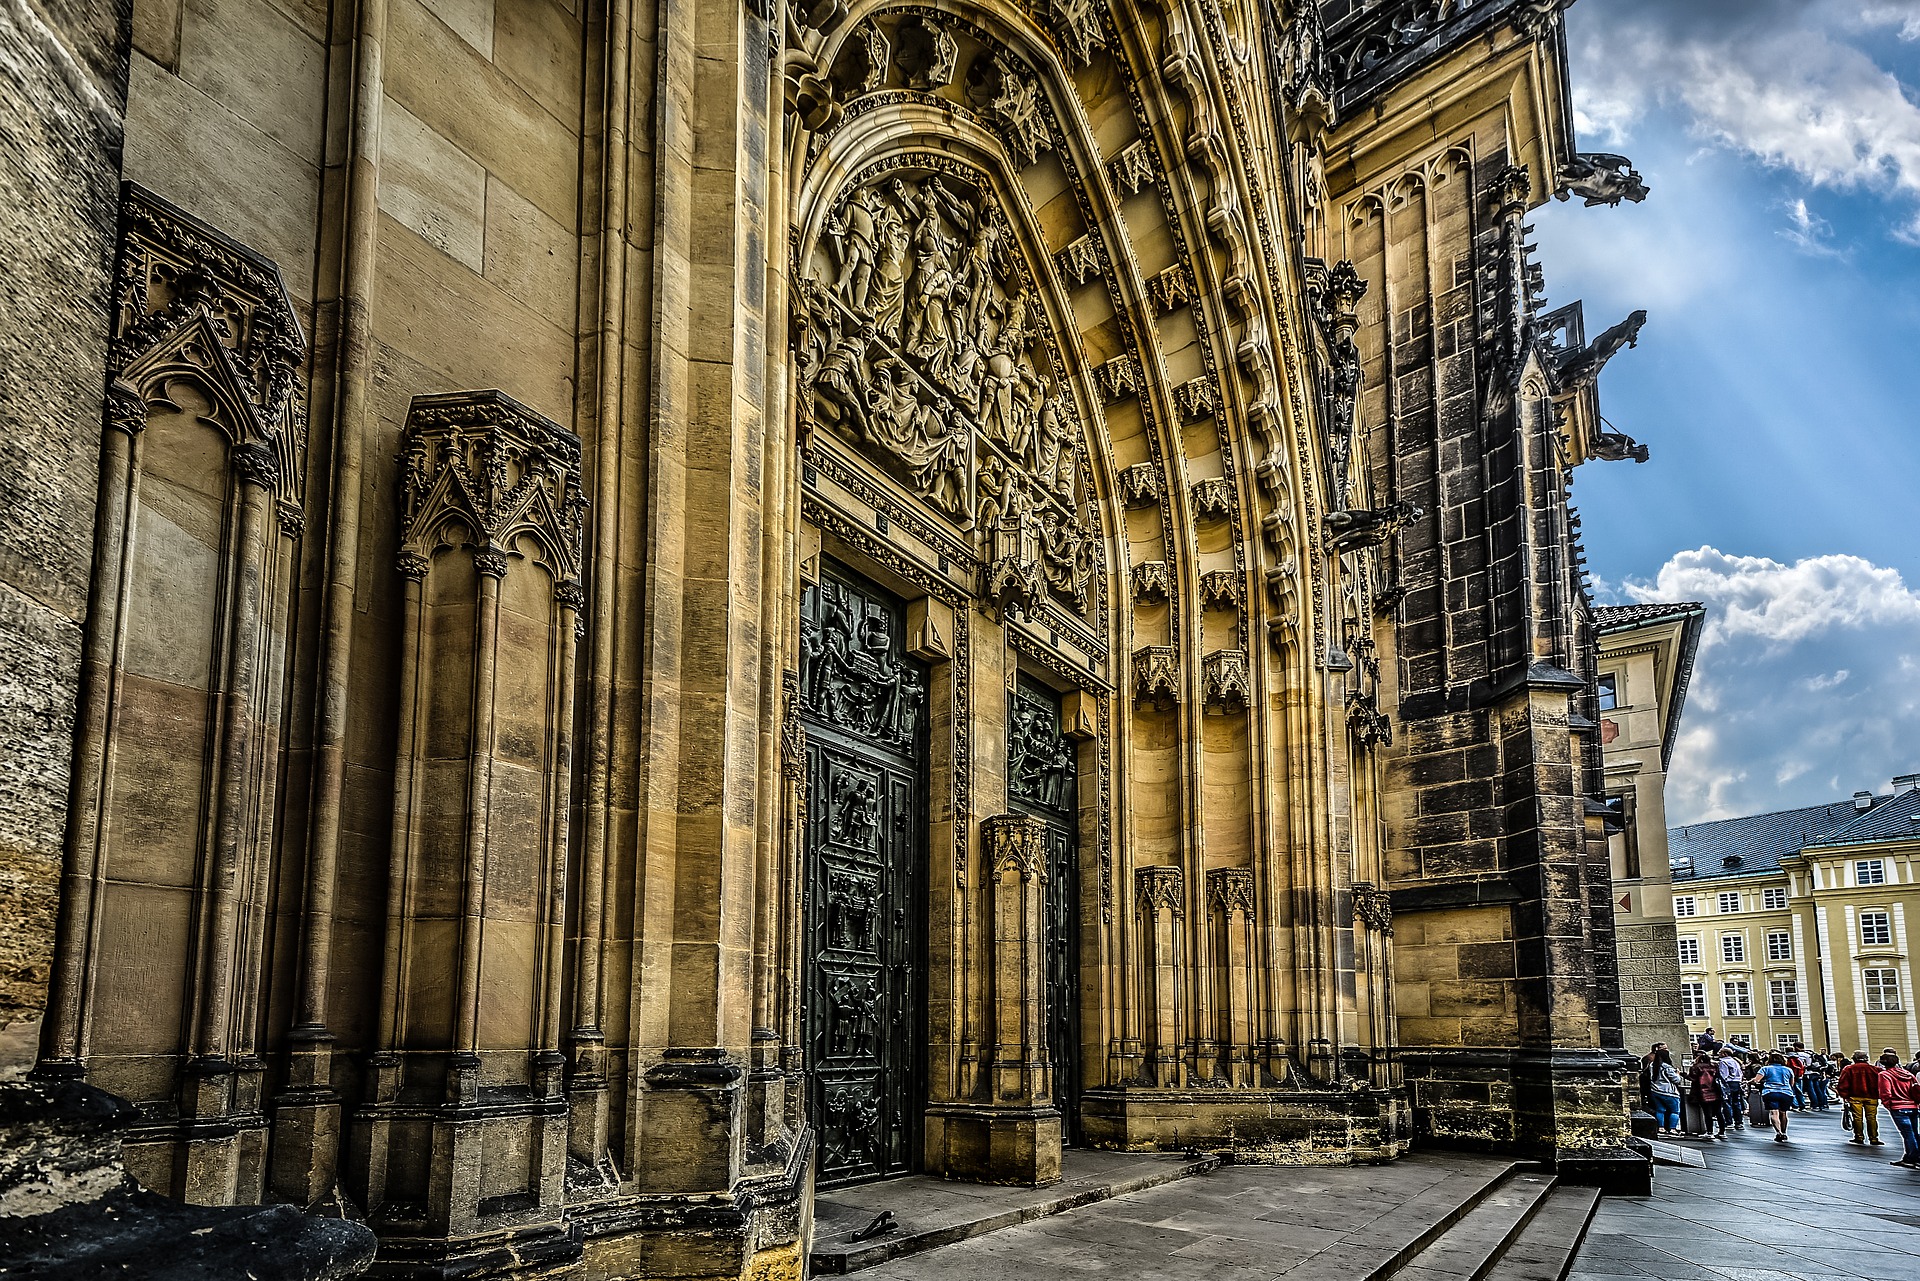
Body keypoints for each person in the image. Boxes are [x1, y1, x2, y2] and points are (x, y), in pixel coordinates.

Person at [1877, 1049, 1920, 1168]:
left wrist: (1888, 1105)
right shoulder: (1908, 1074)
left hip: (1898, 1107)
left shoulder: (1884, 1075)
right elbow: (1916, 1089)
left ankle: (1912, 1157)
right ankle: (1914, 1157)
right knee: (1915, 1132)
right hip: (1913, 1106)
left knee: (1907, 1133)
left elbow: (1885, 1092)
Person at [1838, 1049, 1884, 1147]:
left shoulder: (1849, 1069)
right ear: (1866, 1058)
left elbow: (1843, 1084)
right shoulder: (1875, 1069)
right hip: (1872, 1096)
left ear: (1854, 1059)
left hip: (1854, 1096)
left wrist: (1844, 1096)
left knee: (1857, 1118)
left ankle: (1859, 1136)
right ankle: (1874, 1137)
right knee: (1872, 1117)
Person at [1756, 1052, 1797, 1142]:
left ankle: (1778, 1132)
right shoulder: (1788, 1070)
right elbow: (1792, 1083)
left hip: (1770, 1092)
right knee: (1783, 1113)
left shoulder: (1765, 1069)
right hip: (1786, 1093)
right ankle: (1784, 1132)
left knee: (1774, 1113)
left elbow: (1757, 1080)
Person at [1689, 1050, 1726, 1138]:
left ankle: (1710, 1132)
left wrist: (1681, 1074)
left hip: (1703, 1092)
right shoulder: (1714, 1066)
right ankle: (1722, 1132)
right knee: (1718, 1112)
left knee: (1707, 1113)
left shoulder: (1696, 1067)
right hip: (1716, 1091)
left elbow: (1692, 1078)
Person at [1649, 1045, 1686, 1136]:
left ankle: (1661, 1128)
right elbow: (1676, 1080)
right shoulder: (1667, 1067)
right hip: (1669, 1092)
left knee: (1660, 1110)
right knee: (1675, 1111)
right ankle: (1672, 1128)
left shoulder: (1652, 1065)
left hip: (1655, 1090)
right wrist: (1677, 1074)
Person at [1717, 1046, 1747, 1131]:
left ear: (1724, 1054)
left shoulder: (1723, 1062)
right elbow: (1740, 1073)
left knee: (1727, 1103)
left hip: (1728, 1083)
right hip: (1737, 1083)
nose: (1719, 1054)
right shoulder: (1735, 1061)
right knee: (1736, 1103)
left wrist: (1722, 1082)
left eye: (1720, 1053)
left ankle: (1729, 1122)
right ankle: (1739, 1122)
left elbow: (1724, 1075)